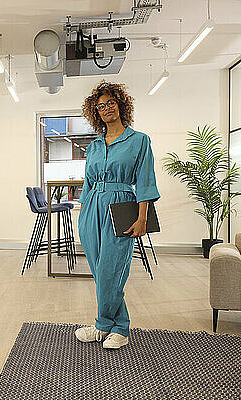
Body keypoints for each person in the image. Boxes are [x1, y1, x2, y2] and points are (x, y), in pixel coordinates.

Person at [75, 81, 160, 349]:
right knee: (100, 271)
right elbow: (87, 182)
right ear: (95, 112)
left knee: (111, 269)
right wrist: (83, 211)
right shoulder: (94, 146)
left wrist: (142, 217)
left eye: (111, 102)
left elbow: (145, 181)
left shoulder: (139, 141)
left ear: (121, 104)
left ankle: (105, 325)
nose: (106, 108)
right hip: (91, 207)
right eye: (101, 106)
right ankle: (118, 327)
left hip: (121, 205)